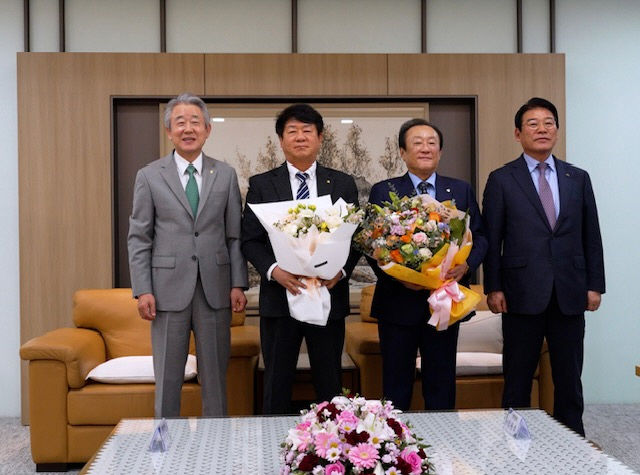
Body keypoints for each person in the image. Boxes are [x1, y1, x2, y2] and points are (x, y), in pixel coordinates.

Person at [482, 97, 605, 436]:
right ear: (518, 133)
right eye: (533, 123)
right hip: (521, 293)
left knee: (569, 378)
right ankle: (514, 444)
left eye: (548, 122)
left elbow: (590, 234)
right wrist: (493, 286)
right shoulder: (502, 179)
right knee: (518, 378)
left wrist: (595, 284)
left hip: (570, 291)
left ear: (557, 130)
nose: (542, 129)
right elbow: (492, 238)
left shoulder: (577, 177)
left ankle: (572, 444)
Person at [128, 93, 248, 418]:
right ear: (169, 131)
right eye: (180, 122)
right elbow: (139, 237)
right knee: (167, 381)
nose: (188, 128)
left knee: (215, 382)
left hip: (215, 289)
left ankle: (216, 453)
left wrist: (239, 283)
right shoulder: (149, 176)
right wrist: (143, 289)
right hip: (166, 291)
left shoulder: (225, 175)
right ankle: (164, 452)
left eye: (195, 122)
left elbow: (234, 235)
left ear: (207, 130)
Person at [241, 103, 359, 414]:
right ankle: (272, 449)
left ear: (321, 138)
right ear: (281, 140)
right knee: (277, 382)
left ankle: (333, 454)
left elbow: (356, 236)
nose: (300, 137)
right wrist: (274, 271)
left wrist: (341, 272)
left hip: (328, 294)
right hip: (281, 297)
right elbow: (250, 239)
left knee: (330, 384)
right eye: (292, 131)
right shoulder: (262, 184)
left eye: (307, 131)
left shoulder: (343, 183)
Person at [367, 118, 487, 411]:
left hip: (445, 301)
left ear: (440, 151)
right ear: (402, 152)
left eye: (431, 143)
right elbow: (372, 245)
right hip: (398, 303)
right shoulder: (384, 190)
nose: (425, 148)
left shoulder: (460, 189)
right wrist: (400, 278)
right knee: (396, 383)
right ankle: (396, 450)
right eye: (417, 143)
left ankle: (443, 450)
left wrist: (466, 266)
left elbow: (481, 235)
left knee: (441, 380)